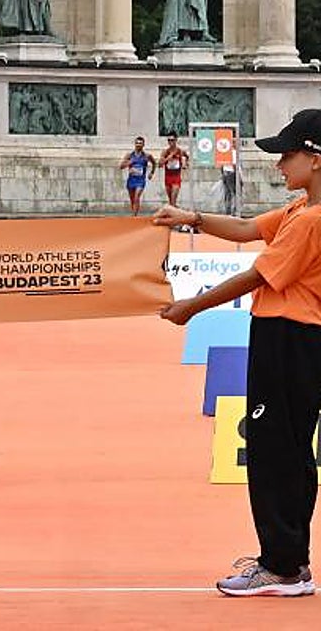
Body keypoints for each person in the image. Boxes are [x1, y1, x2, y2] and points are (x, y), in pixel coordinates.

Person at [153, 108, 321, 597]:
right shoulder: (299, 209)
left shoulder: (311, 221)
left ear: (315, 159)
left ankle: (282, 566)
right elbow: (248, 228)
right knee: (289, 449)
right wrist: (192, 219)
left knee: (275, 452)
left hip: (290, 338)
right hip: (294, 338)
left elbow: (256, 276)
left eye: (287, 155)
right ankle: (290, 561)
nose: (279, 164)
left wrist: (192, 307)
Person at [119, 136, 155, 216]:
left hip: (140, 180)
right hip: (131, 180)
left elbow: (154, 163)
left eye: (140, 143)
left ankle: (134, 216)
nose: (138, 145)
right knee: (132, 199)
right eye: (137, 143)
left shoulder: (147, 156)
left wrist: (152, 172)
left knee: (136, 197)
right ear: (134, 144)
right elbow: (121, 166)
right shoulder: (129, 155)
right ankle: (134, 214)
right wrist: (129, 163)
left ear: (143, 145)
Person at [158, 133, 189, 207]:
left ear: (176, 140)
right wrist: (168, 158)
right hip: (168, 177)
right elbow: (160, 165)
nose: (170, 142)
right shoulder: (165, 152)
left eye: (172, 140)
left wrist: (185, 163)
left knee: (173, 200)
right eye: (169, 140)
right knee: (170, 201)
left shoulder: (180, 151)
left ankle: (174, 211)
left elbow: (187, 157)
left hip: (176, 177)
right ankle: (175, 210)